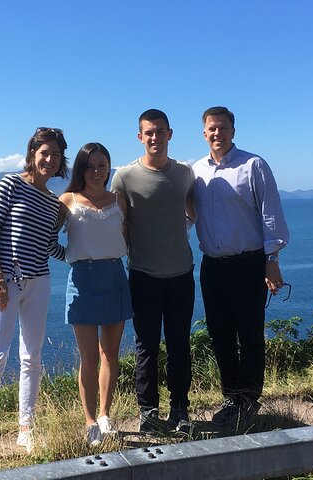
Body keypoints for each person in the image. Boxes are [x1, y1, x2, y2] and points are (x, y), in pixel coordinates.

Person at [0, 127, 69, 457]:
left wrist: (84, 255)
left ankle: (26, 429)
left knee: (32, 358)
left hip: (39, 284)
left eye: (55, 154)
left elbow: (49, 246)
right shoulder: (10, 184)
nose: (49, 160)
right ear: (32, 154)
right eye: (44, 153)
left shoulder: (53, 203)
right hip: (5, 283)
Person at [192, 106, 290, 426]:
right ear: (204, 133)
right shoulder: (196, 171)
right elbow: (186, 215)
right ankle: (231, 397)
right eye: (212, 128)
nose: (217, 133)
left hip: (249, 263)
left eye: (223, 127)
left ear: (233, 131)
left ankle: (248, 400)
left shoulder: (253, 165)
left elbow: (270, 214)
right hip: (212, 267)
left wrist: (272, 261)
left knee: (249, 335)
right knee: (220, 335)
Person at [111, 109, 195, 434]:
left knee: (179, 345)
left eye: (160, 131)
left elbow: (193, 210)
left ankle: (180, 409)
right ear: (140, 136)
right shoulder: (124, 176)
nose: (155, 137)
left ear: (169, 134)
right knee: (146, 347)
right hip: (143, 275)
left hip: (181, 274)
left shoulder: (184, 174)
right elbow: (119, 225)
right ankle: (148, 412)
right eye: (149, 132)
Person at [59, 143, 132, 447]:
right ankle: (89, 421)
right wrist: (69, 256)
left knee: (110, 354)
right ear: (80, 169)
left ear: (109, 167)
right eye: (90, 166)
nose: (97, 171)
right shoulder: (68, 200)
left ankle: (104, 415)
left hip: (114, 276)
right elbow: (46, 238)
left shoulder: (119, 200)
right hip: (83, 280)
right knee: (88, 357)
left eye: (102, 165)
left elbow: (127, 239)